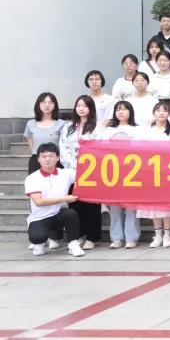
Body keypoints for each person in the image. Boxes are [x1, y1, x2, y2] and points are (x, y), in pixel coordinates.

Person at [25, 143, 85, 257]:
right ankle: (40, 244)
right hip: (40, 217)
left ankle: (73, 244)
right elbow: (39, 202)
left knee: (71, 213)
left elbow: (86, 174)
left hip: (58, 215)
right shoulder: (32, 178)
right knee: (37, 237)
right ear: (38, 159)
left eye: (51, 156)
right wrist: (64, 199)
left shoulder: (66, 173)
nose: (47, 159)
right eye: (44, 156)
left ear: (58, 158)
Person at [58, 95, 101, 249]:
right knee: (75, 204)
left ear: (91, 108)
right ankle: (79, 234)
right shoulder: (68, 126)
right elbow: (63, 147)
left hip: (91, 171)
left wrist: (85, 165)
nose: (81, 108)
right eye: (79, 105)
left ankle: (92, 237)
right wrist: (73, 164)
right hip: (71, 170)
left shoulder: (97, 127)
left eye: (85, 106)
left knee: (91, 205)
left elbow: (100, 148)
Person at [138, 102, 170, 249]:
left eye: (164, 110)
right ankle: (157, 235)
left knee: (167, 204)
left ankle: (167, 235)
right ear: (154, 113)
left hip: (168, 170)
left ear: (169, 113)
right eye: (158, 110)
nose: (161, 113)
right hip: (152, 171)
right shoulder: (146, 131)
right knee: (154, 204)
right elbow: (141, 150)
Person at [99, 101, 140, 248]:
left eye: (124, 109)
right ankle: (116, 237)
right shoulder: (108, 131)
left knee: (131, 206)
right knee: (114, 206)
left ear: (130, 112)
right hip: (112, 172)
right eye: (118, 109)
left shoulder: (138, 130)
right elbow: (100, 149)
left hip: (132, 172)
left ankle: (131, 237)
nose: (121, 112)